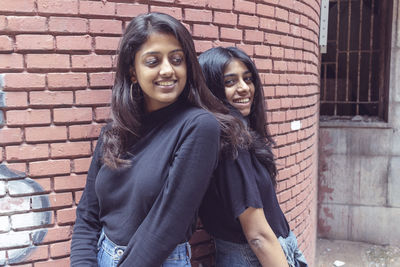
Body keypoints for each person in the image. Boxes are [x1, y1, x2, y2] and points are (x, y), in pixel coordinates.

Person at [70, 13, 247, 267]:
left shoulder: (197, 126)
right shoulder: (114, 132)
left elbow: (167, 226)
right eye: (153, 61)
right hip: (101, 255)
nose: (168, 70)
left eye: (177, 59)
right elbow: (88, 215)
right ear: (133, 72)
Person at [198, 47, 308, 267]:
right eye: (230, 82)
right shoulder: (229, 144)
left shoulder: (240, 135)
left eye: (248, 79)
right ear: (210, 88)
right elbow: (257, 235)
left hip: (271, 249)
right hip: (253, 257)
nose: (244, 88)